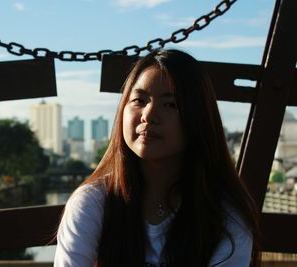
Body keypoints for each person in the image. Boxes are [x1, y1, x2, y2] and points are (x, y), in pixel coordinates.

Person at [53, 49, 260, 267]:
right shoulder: (93, 203)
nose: (149, 115)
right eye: (139, 100)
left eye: (170, 104)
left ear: (199, 118)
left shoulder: (227, 215)